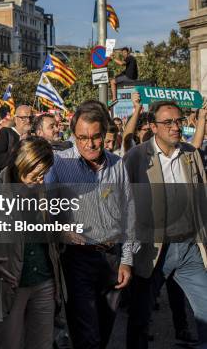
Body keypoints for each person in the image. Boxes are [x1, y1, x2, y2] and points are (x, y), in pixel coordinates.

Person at [45, 100, 135, 349]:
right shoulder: (59, 164)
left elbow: (129, 213)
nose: (90, 144)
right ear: (73, 135)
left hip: (112, 259)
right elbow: (45, 212)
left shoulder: (118, 165)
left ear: (105, 134)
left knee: (104, 331)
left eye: (95, 137)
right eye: (82, 137)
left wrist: (127, 259)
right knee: (87, 336)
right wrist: (60, 229)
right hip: (77, 260)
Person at [124, 100, 207, 348]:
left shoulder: (191, 155)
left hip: (189, 248)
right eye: (168, 122)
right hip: (152, 252)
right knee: (139, 319)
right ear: (153, 126)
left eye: (179, 121)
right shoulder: (136, 157)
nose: (175, 127)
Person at [0, 137, 63, 349]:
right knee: (7, 343)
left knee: (42, 344)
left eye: (43, 174)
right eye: (35, 174)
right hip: (10, 284)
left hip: (43, 280)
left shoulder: (45, 190)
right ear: (20, 163)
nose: (40, 180)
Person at [0, 105, 32, 179]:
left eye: (30, 117)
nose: (28, 120)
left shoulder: (34, 138)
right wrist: (21, 144)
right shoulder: (5, 133)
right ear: (16, 119)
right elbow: (0, 162)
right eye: (23, 118)